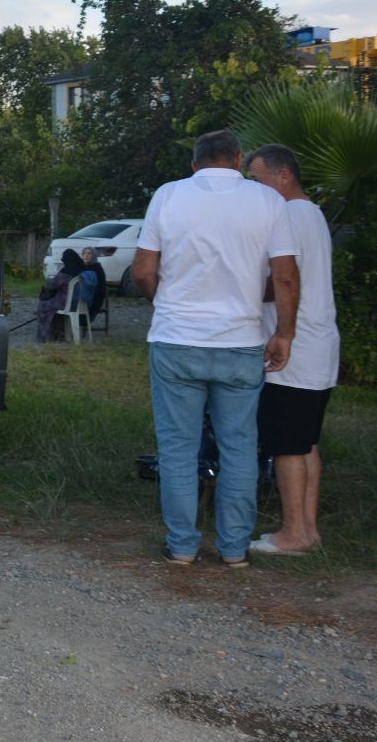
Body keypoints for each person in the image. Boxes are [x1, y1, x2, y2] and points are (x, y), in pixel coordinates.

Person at [132, 130, 300, 568]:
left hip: (176, 342)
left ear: (194, 163)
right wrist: (284, 332)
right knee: (240, 447)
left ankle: (183, 545)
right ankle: (233, 548)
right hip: (241, 343)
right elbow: (284, 276)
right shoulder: (267, 202)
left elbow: (144, 271)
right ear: (239, 160)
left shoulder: (168, 196)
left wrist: (164, 303)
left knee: (178, 448)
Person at [246, 144, 338, 556]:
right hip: (316, 345)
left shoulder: (290, 215)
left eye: (257, 180)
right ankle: (308, 530)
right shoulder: (311, 213)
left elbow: (285, 279)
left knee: (286, 444)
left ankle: (293, 534)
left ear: (283, 176)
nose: (252, 189)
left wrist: (237, 286)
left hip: (295, 348)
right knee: (305, 442)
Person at [36, 249, 85, 342]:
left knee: (42, 305)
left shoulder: (64, 273)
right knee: (54, 310)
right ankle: (60, 333)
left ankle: (45, 336)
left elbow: (51, 286)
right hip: (77, 302)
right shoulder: (80, 271)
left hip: (64, 302)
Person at [80, 246, 108, 319]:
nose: (86, 255)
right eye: (84, 253)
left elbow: (101, 288)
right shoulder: (80, 267)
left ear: (94, 256)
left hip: (94, 299)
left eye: (90, 253)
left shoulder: (97, 268)